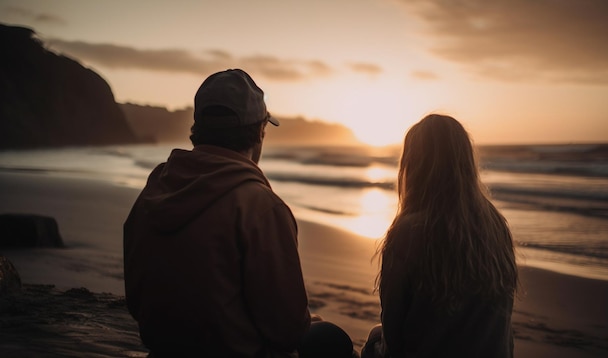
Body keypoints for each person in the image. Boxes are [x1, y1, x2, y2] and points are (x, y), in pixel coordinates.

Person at [124, 69, 355, 357]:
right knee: (331, 339)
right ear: (260, 131)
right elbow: (287, 330)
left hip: (164, 348)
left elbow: (135, 299)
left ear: (198, 129)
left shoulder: (156, 187)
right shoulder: (260, 206)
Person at [362, 114, 518, 358]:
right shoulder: (495, 225)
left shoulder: (409, 232)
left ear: (413, 165)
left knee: (339, 337)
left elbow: (394, 336)